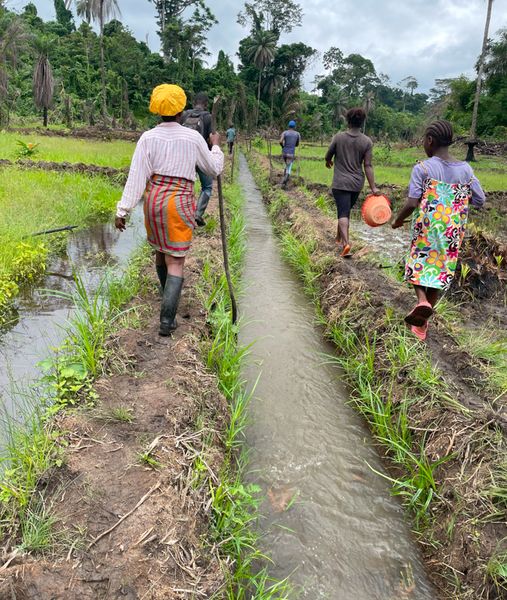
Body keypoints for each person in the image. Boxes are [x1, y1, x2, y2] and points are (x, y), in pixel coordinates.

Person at [115, 84, 224, 336]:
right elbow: (213, 169)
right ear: (180, 111)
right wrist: (216, 146)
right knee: (175, 260)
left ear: (157, 110)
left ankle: (166, 298)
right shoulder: (193, 137)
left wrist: (122, 210)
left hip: (154, 201)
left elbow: (136, 177)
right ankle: (167, 321)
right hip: (179, 202)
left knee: (160, 251)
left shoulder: (148, 137)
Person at [392, 120, 485, 341]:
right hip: (451, 232)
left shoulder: (423, 168)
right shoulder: (466, 170)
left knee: (417, 262)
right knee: (439, 270)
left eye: (425, 140)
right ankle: (422, 324)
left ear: (430, 140)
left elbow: (412, 202)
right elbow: (480, 199)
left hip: (427, 228)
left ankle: (421, 300)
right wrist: (457, 197)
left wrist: (397, 221)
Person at [325, 107, 380, 257]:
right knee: (345, 210)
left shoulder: (338, 137)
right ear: (362, 122)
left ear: (348, 121)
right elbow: (367, 165)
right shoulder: (367, 141)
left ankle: (346, 243)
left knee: (343, 212)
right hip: (356, 184)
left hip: (340, 182)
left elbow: (328, 154)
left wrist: (328, 161)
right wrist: (373, 187)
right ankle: (338, 238)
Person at [181, 92, 214, 227]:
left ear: (194, 102)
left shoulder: (184, 115)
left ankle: (182, 212)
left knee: (185, 184)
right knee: (207, 187)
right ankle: (197, 214)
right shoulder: (208, 117)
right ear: (206, 104)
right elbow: (211, 138)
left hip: (185, 156)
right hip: (201, 156)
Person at [280, 120, 300, 188]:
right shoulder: (297, 134)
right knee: (289, 168)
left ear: (288, 126)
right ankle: (284, 181)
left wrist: (283, 146)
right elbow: (297, 144)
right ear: (294, 126)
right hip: (291, 153)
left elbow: (280, 141)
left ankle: (284, 182)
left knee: (285, 166)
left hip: (284, 152)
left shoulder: (285, 133)